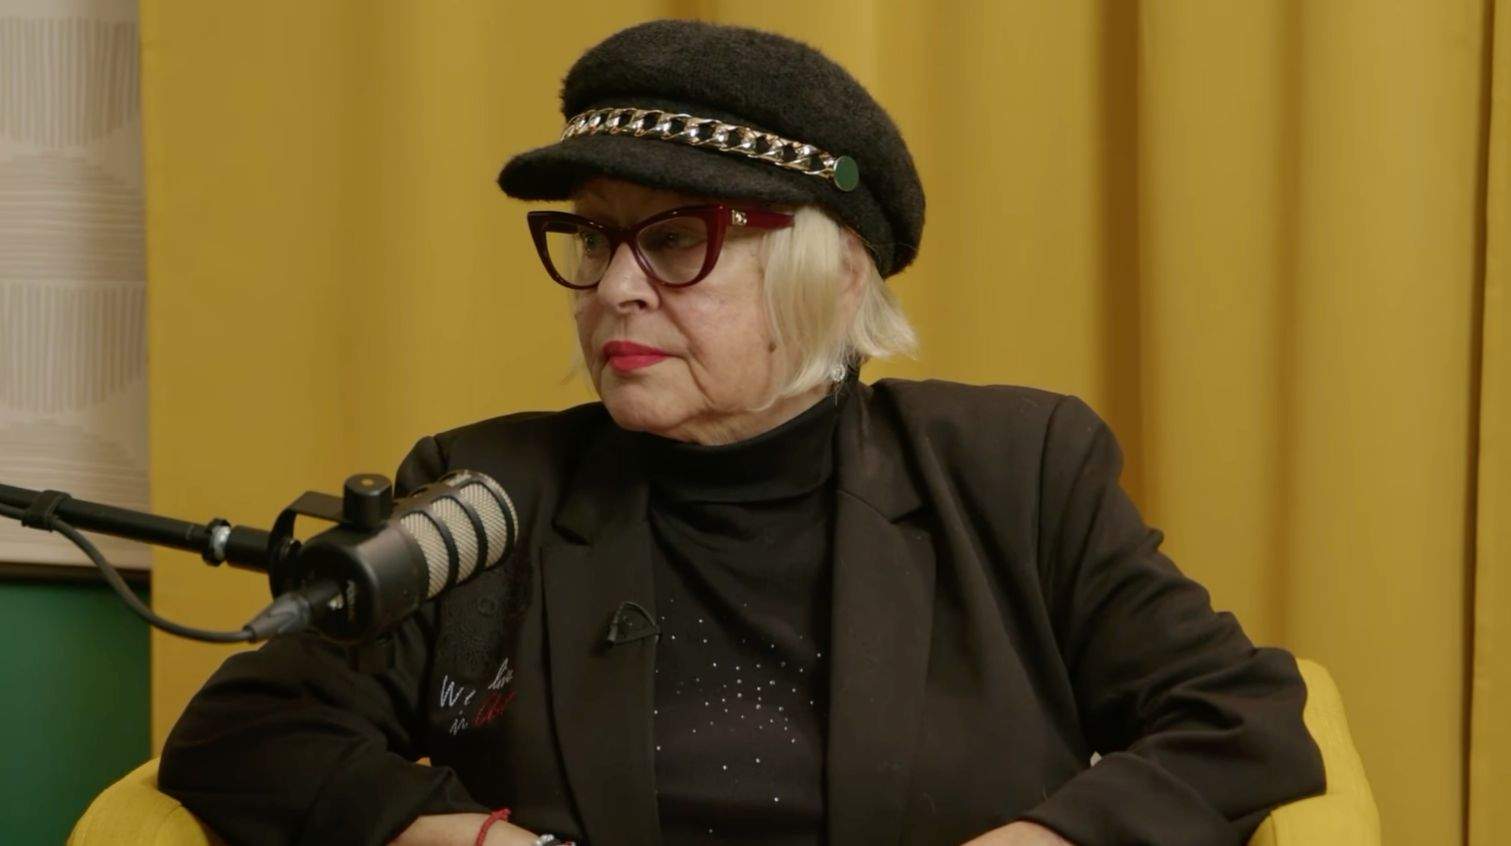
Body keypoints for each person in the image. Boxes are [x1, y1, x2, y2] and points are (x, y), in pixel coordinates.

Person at [157, 19, 1325, 846]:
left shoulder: (1018, 472)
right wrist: (465, 841)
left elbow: (1240, 721)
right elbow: (246, 734)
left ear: (835, 271)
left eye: (674, 240)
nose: (615, 287)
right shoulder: (489, 492)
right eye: (595, 238)